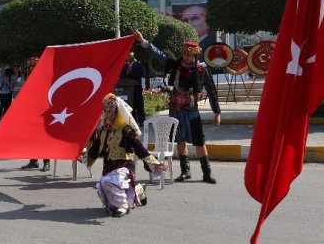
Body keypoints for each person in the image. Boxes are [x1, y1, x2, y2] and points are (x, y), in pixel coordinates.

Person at [135, 31, 222, 183]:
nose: (187, 58)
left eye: (190, 55)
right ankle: (185, 171)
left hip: (192, 110)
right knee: (180, 140)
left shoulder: (201, 70)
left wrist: (217, 112)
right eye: (185, 55)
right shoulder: (175, 65)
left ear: (195, 55)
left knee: (199, 141)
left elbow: (211, 91)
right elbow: (158, 54)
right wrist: (143, 41)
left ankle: (207, 173)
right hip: (176, 109)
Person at [85, 93, 167, 217]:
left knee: (107, 182)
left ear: (116, 112)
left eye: (110, 111)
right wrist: (83, 157)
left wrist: (153, 162)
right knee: (107, 189)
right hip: (108, 168)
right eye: (105, 111)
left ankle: (122, 206)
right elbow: (96, 149)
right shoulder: (103, 130)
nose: (106, 114)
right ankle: (139, 190)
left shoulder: (125, 130)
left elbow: (139, 148)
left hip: (124, 167)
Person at [119, 51, 147, 125]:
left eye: (130, 56)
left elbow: (141, 74)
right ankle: (133, 121)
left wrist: (130, 75)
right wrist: (126, 76)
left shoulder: (139, 64)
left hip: (137, 88)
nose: (128, 57)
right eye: (127, 56)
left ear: (134, 56)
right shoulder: (124, 66)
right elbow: (122, 75)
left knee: (139, 105)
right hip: (128, 90)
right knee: (131, 105)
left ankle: (141, 120)